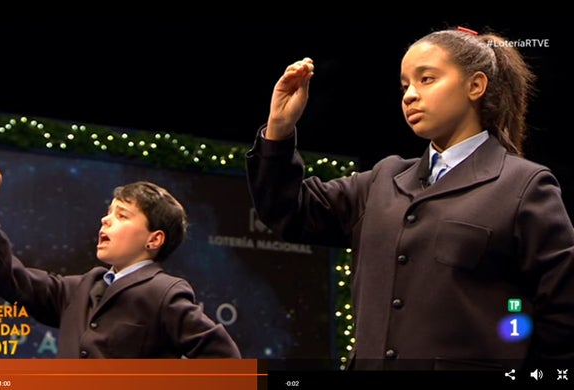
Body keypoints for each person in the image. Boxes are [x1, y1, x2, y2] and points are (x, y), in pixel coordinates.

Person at [245, 26, 574, 371]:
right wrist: (279, 130)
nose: (410, 96)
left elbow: (561, 316)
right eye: (405, 86)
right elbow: (289, 210)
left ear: (475, 86)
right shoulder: (384, 180)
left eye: (426, 79)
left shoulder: (523, 185)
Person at [0, 169, 242, 358]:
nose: (105, 220)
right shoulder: (79, 289)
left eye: (122, 215)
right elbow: (8, 278)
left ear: (154, 239)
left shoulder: (164, 293)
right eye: (108, 212)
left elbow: (225, 360)